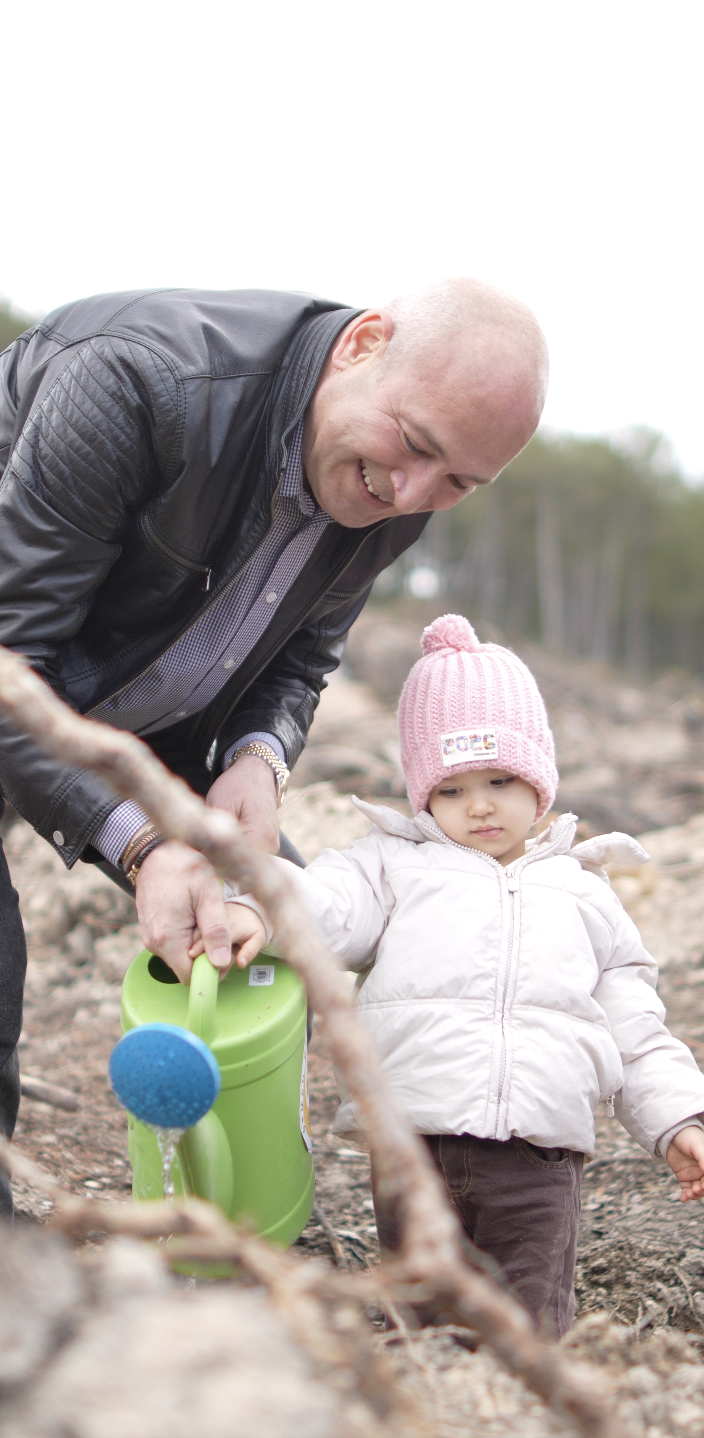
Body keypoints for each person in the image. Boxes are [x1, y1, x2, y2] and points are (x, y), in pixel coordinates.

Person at [0, 279, 549, 1218]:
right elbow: (13, 667)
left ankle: (256, 1206)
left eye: (457, 482)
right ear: (362, 344)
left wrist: (260, 756)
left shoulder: (399, 479)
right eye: (413, 449)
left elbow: (302, 653)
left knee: (277, 915)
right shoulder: (138, 383)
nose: (412, 495)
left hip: (114, 716)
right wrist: (142, 842)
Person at [225, 613, 704, 1335]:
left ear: (540, 782)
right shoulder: (394, 866)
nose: (480, 805)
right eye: (452, 789)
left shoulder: (584, 891)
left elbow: (635, 1025)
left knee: (527, 1322)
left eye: (499, 780)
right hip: (412, 1147)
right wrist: (259, 909)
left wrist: (673, 1117)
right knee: (423, 1318)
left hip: (537, 1161)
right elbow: (325, 902)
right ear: (423, 795)